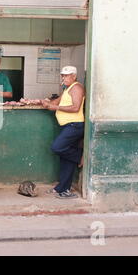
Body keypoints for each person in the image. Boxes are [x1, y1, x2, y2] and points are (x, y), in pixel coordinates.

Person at [39, 66, 85, 199]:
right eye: (62, 76)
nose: (63, 78)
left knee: (57, 147)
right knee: (65, 159)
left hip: (74, 126)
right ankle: (63, 189)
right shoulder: (67, 89)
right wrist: (46, 103)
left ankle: (81, 156)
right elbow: (55, 102)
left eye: (66, 75)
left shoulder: (77, 88)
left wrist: (55, 107)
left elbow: (76, 108)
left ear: (74, 76)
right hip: (67, 126)